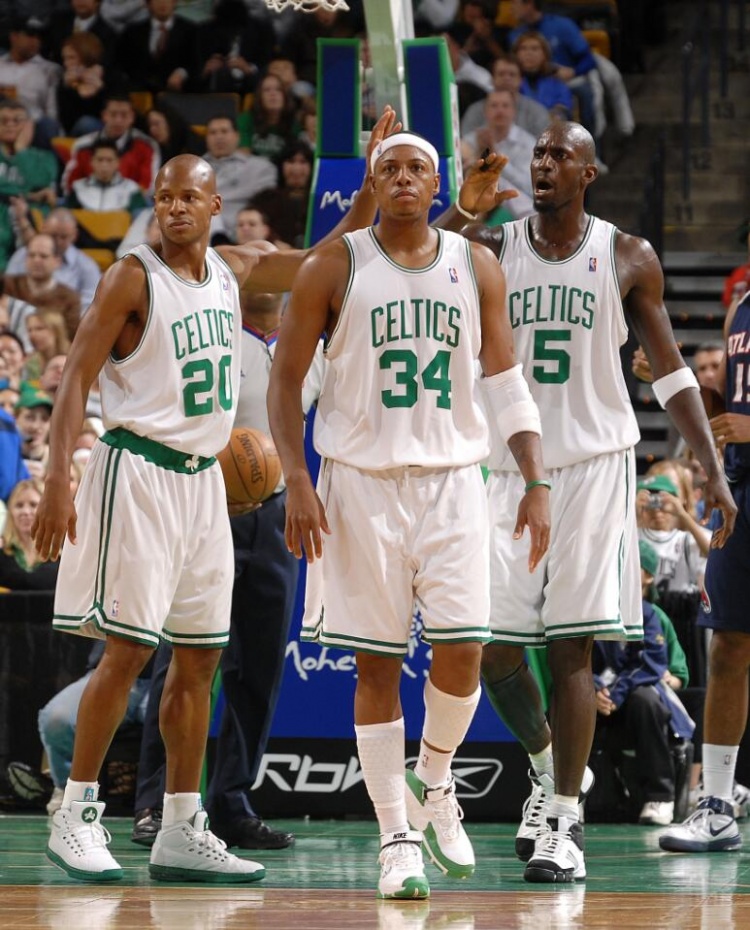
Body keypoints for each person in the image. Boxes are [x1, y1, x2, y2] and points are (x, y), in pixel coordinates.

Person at [30, 111, 398, 884]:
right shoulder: (131, 276)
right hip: (139, 473)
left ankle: (181, 826)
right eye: (164, 197)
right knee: (130, 653)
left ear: (214, 206)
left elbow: (327, 257)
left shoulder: (231, 270)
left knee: (201, 660)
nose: (174, 208)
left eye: (188, 197)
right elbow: (74, 382)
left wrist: (367, 184)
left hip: (206, 485)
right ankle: (77, 812)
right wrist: (61, 478)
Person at [440, 121, 736, 883]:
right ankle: (548, 767)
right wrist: (465, 209)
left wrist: (710, 467)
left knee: (571, 647)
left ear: (589, 172)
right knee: (491, 647)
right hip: (511, 469)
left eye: (559, 155)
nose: (543, 163)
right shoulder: (494, 245)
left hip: (596, 466)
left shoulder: (627, 254)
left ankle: (564, 823)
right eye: (538, 153)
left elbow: (670, 369)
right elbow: (414, 261)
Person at [267, 130, 550, 899]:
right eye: (387, 167)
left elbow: (505, 379)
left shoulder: (475, 264)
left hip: (454, 481)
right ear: (373, 179)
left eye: (415, 167)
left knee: (464, 649)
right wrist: (296, 477)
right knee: (377, 666)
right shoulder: (333, 264)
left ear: (436, 184)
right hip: (360, 485)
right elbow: (286, 382)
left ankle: (436, 779)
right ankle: (396, 837)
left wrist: (535, 477)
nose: (401, 177)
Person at [131, 286, 323, 850]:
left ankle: (232, 802)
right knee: (180, 662)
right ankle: (156, 802)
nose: (263, 264)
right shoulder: (211, 335)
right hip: (205, 506)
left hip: (276, 514)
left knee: (258, 669)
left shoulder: (310, 348)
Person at [659, 286, 750, 853]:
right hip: (740, 490)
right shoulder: (740, 307)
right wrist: (689, 392)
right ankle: (717, 805)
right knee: (728, 647)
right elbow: (726, 413)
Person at [592, 539, 695, 828]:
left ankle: (660, 796)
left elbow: (660, 668)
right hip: (602, 698)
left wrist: (614, 694)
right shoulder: (592, 609)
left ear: (648, 575)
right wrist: (594, 688)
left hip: (635, 699)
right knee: (570, 698)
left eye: (629, 565)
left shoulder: (652, 616)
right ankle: (568, 796)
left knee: (646, 699)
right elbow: (578, 659)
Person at [8, 207, 103, 310]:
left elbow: (90, 308)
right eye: (53, 235)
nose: (57, 242)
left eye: (63, 237)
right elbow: (7, 294)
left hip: (68, 317)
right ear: (43, 228)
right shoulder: (21, 256)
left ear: (74, 235)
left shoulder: (87, 266)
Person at [0, 477, 59, 590]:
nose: (26, 512)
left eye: (33, 505)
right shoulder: (2, 555)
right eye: (19, 505)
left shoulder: (61, 558)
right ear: (11, 512)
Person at [65, 140, 150, 214]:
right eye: (100, 160)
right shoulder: (78, 188)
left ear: (118, 163)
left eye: (109, 160)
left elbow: (140, 218)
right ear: (91, 162)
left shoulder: (131, 189)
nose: (104, 165)